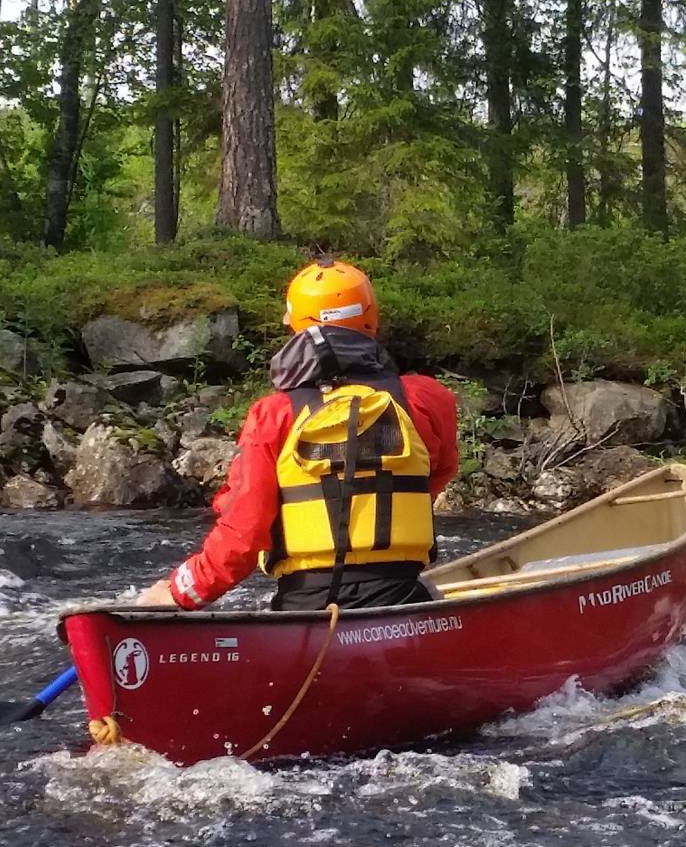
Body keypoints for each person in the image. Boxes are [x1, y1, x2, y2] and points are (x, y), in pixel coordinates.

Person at [137, 258, 459, 612]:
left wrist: (181, 590)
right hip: (400, 596)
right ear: (370, 318)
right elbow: (435, 473)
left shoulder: (273, 414)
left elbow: (243, 531)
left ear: (297, 325)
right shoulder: (427, 399)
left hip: (306, 605)